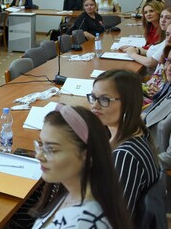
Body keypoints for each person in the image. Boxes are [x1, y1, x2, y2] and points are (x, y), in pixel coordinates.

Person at [31, 104, 132, 229]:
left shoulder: (84, 223)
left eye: (51, 149)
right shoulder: (72, 196)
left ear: (87, 155)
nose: (39, 156)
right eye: (41, 144)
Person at [89, 70, 159, 221]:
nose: (94, 105)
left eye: (104, 99)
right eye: (93, 97)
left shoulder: (125, 156)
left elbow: (115, 219)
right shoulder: (136, 131)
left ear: (128, 103)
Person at [144, 45, 171, 169]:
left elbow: (168, 158)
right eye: (169, 61)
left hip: (154, 166)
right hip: (142, 146)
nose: (169, 68)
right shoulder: (168, 87)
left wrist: (138, 161)